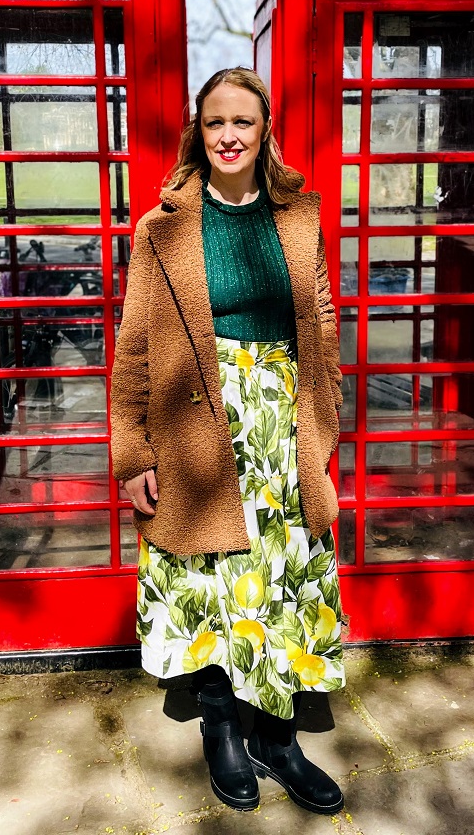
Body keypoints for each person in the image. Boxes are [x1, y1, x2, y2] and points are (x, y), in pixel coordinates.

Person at [110, 67, 346, 814]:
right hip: (196, 426)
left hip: (284, 426)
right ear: (198, 131)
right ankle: (222, 729)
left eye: (244, 122)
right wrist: (131, 450)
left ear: (265, 129)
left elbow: (325, 322)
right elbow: (134, 345)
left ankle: (277, 738)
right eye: (216, 123)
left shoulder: (299, 216)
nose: (230, 136)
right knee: (211, 582)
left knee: (284, 577)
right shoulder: (163, 227)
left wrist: (326, 422)